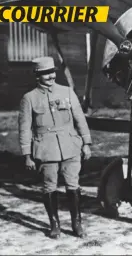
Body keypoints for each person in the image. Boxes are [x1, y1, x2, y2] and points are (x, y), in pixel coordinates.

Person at [18, 56, 92, 239]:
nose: (50, 77)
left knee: (73, 185)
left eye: (52, 72)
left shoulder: (67, 92)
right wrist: (27, 154)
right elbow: (25, 128)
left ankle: (77, 224)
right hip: (45, 149)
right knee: (49, 187)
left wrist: (87, 143)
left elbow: (79, 119)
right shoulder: (29, 98)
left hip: (70, 146)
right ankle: (55, 225)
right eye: (45, 74)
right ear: (37, 76)